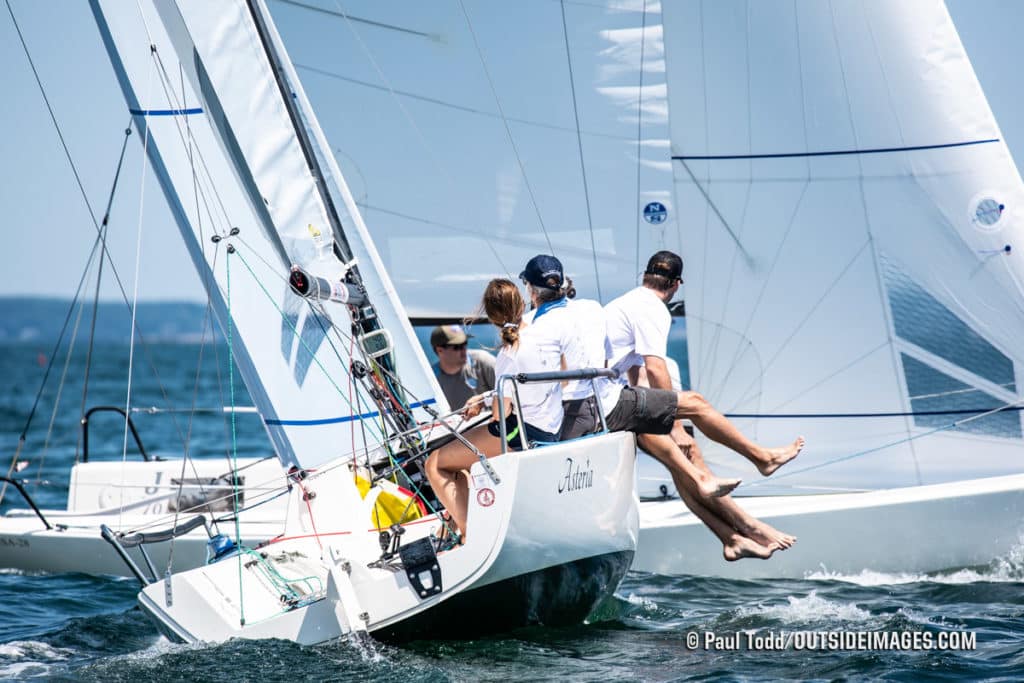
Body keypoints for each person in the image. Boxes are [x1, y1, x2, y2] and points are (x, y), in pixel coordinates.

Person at [602, 250, 803, 558]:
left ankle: (732, 537)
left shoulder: (626, 302)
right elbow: (655, 369)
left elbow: (633, 366)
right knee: (695, 405)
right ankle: (760, 461)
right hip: (607, 404)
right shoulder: (653, 308)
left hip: (606, 399)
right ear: (676, 285)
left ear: (644, 276)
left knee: (683, 461)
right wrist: (675, 426)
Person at [424, 279, 573, 543]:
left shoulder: (508, 355)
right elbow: (563, 378)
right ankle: (460, 523)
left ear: (491, 316)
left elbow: (500, 415)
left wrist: (485, 402)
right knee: (462, 458)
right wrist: (488, 395)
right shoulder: (545, 335)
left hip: (523, 434)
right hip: (550, 428)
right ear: (523, 304)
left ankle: (470, 534)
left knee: (436, 462)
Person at [429, 324, 496, 410]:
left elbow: (507, 392)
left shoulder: (484, 362)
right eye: (457, 347)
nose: (464, 349)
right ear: (440, 350)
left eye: (465, 343)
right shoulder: (432, 379)